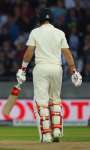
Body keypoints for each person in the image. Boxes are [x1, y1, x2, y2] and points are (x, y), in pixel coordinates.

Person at [16, 8, 82, 143]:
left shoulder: (35, 32)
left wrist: (22, 69)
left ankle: (46, 134)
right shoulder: (60, 33)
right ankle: (57, 130)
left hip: (41, 68)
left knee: (42, 102)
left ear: (39, 19)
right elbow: (67, 53)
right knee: (55, 100)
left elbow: (29, 52)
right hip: (57, 68)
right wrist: (74, 71)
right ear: (52, 19)